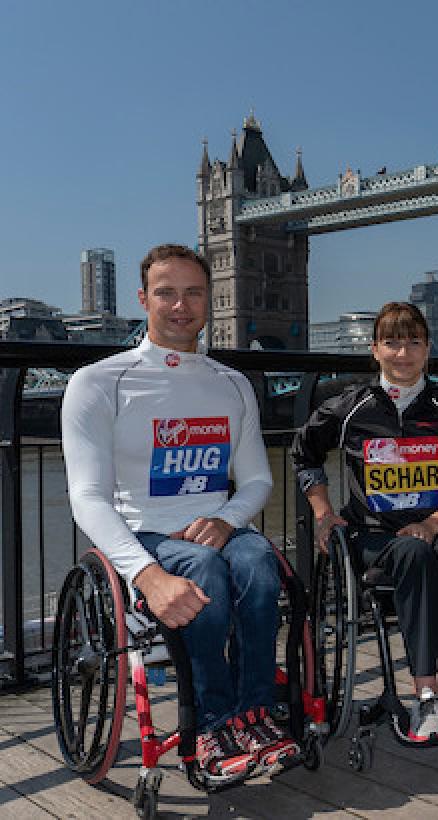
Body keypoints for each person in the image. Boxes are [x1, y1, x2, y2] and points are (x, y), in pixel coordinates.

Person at [61, 244, 299, 783]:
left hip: (216, 527)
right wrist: (145, 574)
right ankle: (213, 726)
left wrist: (227, 520)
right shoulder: (98, 383)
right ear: (143, 299)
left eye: (193, 292)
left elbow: (258, 478)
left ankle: (256, 712)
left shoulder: (232, 384)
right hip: (143, 535)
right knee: (204, 571)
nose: (180, 305)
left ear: (209, 301)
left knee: (260, 561)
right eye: (166, 292)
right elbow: (88, 498)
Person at [291, 302, 438, 744]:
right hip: (375, 538)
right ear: (375, 350)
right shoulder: (349, 409)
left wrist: (435, 523)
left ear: (428, 349)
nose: (403, 353)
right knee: (413, 552)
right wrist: (323, 512)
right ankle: (424, 693)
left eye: (413, 342)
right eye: (392, 343)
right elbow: (303, 453)